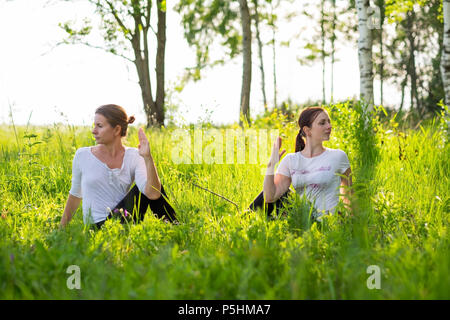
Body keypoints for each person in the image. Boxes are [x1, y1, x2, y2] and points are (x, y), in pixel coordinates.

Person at [60, 104, 177, 229]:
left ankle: (175, 229)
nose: (94, 131)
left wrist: (148, 158)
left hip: (122, 220)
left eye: (99, 126)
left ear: (116, 130)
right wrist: (60, 231)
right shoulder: (82, 155)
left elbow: (153, 194)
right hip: (96, 228)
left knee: (152, 184)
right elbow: (75, 195)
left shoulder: (134, 156)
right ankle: (175, 227)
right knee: (151, 185)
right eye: (94, 126)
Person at [249, 106, 353, 220]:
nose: (329, 126)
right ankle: (248, 219)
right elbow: (269, 197)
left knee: (283, 196)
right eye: (322, 123)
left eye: (329, 122)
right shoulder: (291, 160)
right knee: (282, 193)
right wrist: (270, 166)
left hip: (325, 222)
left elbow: (349, 195)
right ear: (307, 130)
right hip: (301, 219)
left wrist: (351, 224)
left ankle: (248, 218)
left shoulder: (338, 156)